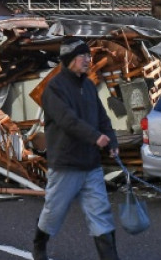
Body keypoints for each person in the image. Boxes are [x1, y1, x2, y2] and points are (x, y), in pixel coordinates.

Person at [33, 38, 121, 260]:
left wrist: (111, 141)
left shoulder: (89, 85)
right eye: (83, 56)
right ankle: (39, 244)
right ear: (69, 59)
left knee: (100, 213)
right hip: (66, 164)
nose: (88, 60)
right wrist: (95, 137)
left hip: (91, 164)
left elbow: (102, 118)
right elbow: (67, 120)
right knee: (53, 213)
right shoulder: (54, 88)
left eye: (89, 56)